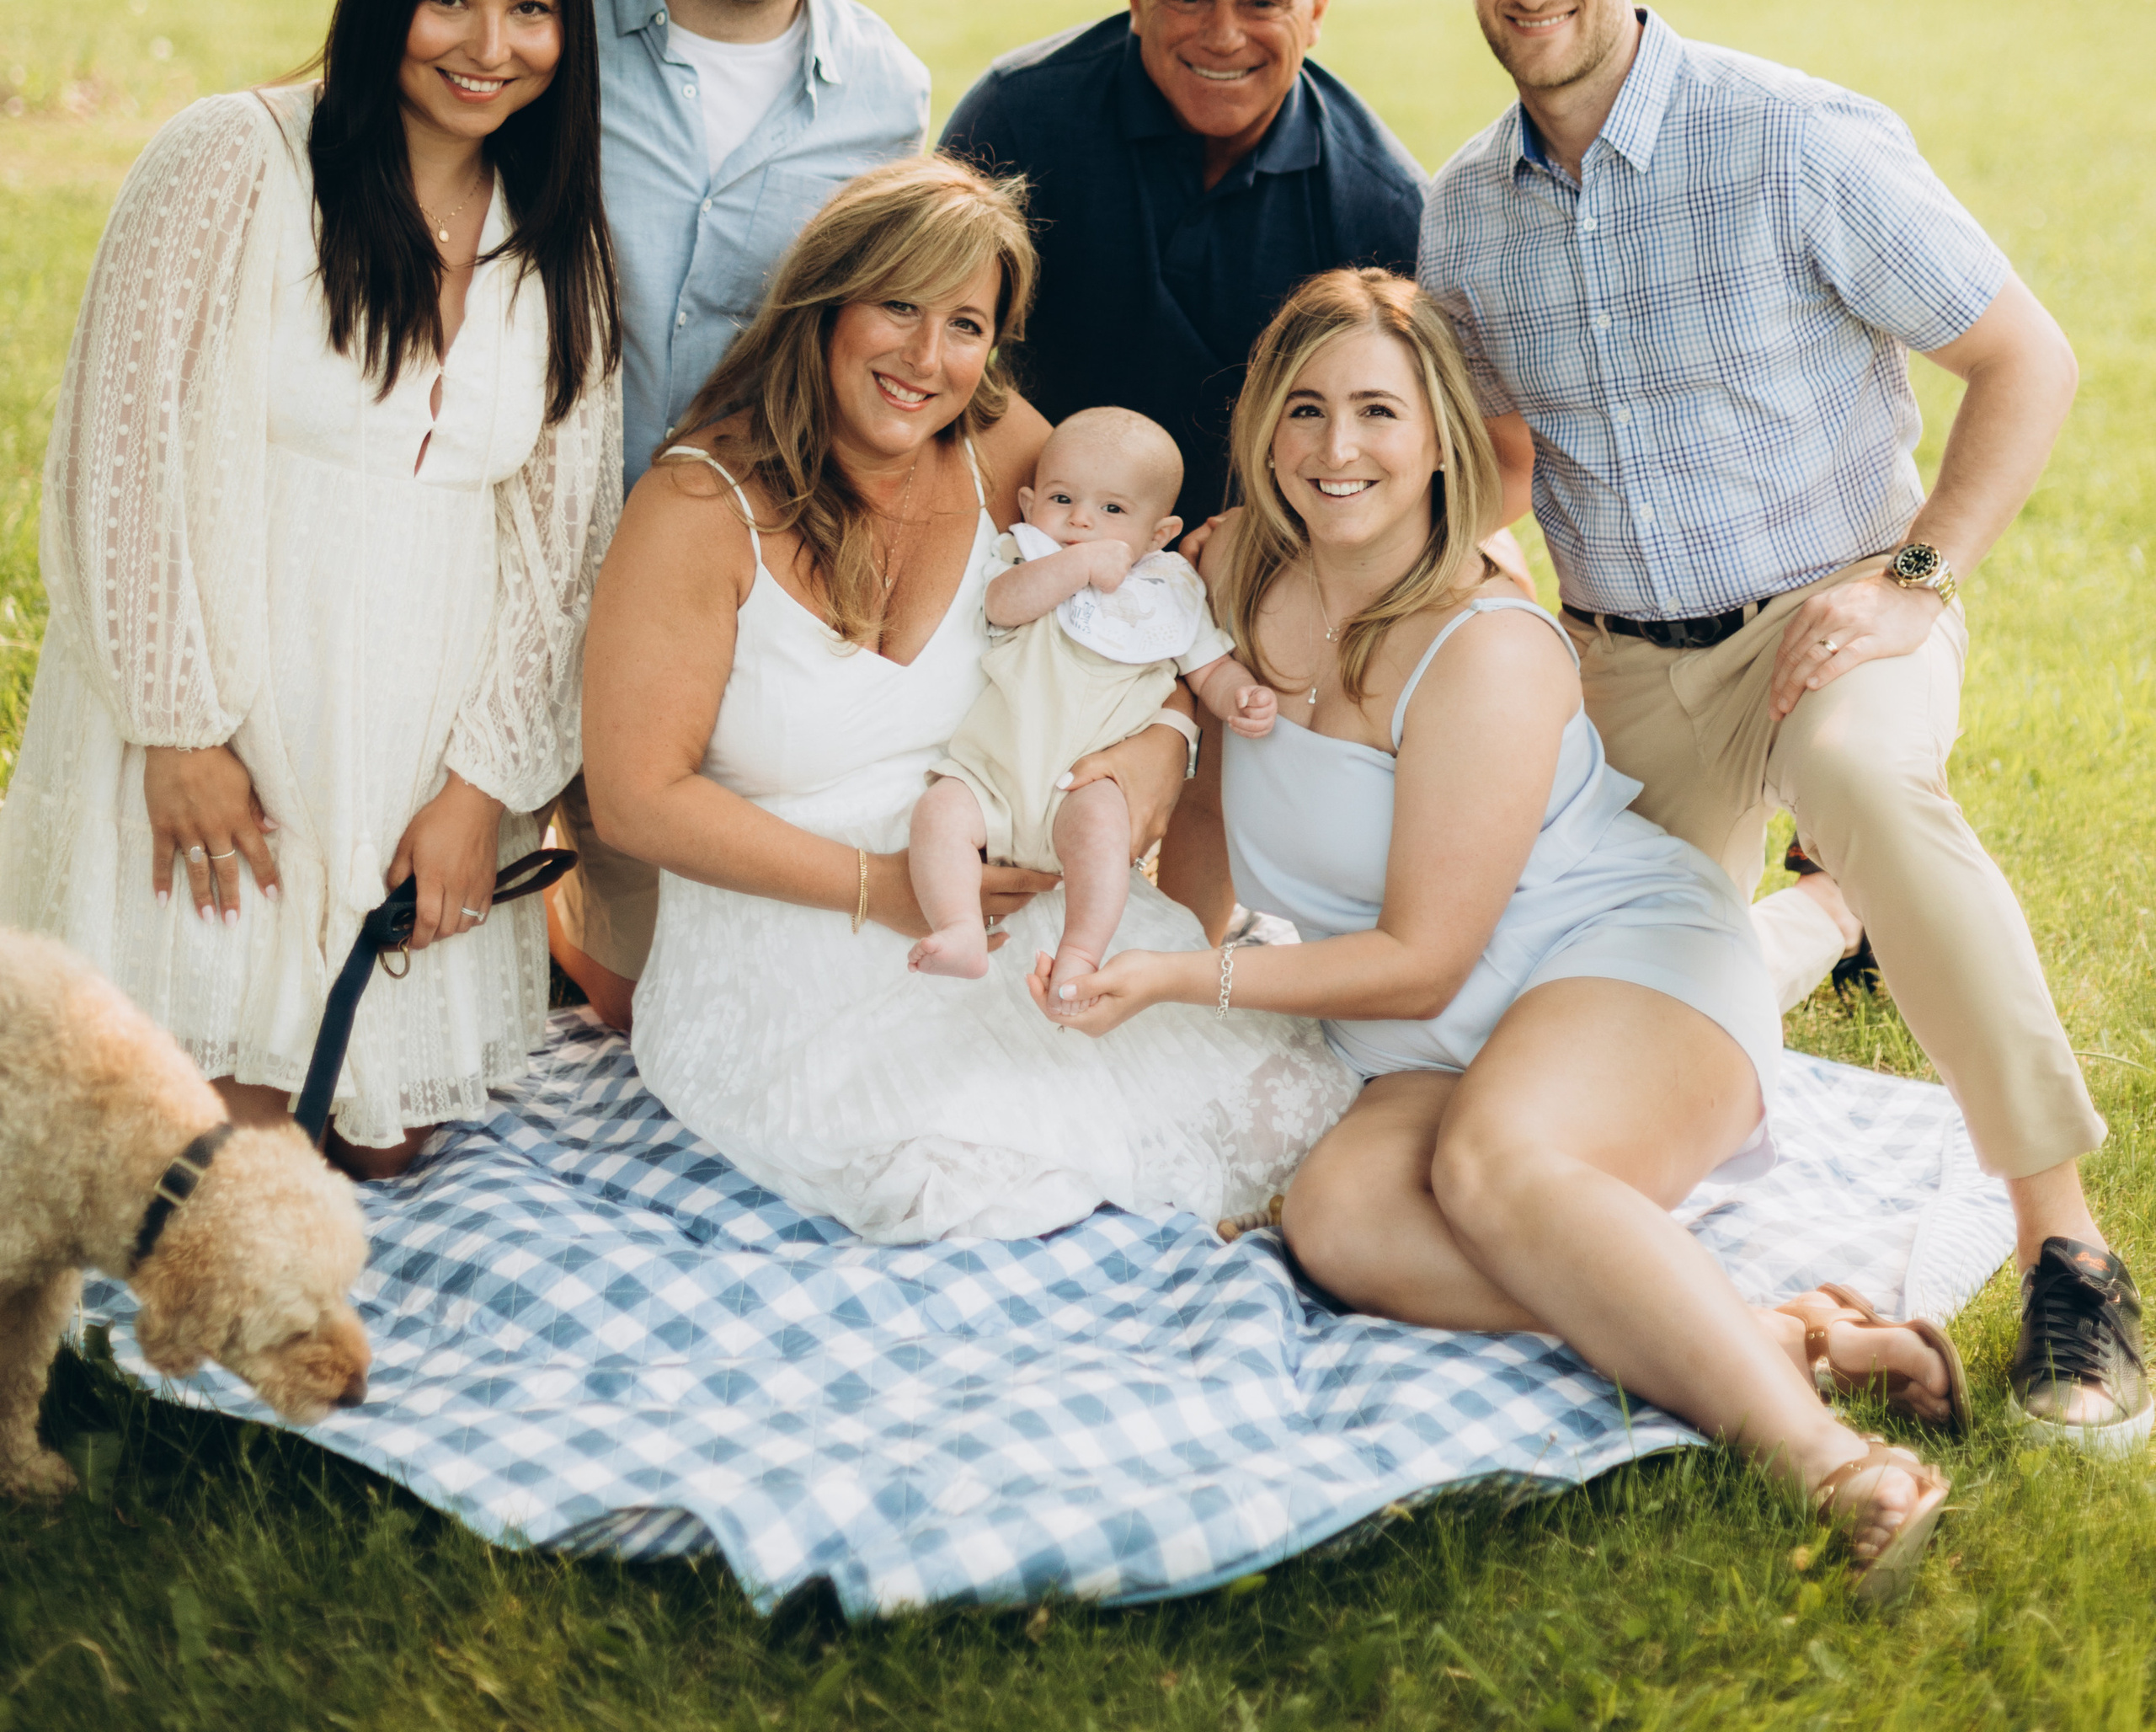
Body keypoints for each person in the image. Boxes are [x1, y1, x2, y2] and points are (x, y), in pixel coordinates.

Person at [1040, 272, 1961, 1609]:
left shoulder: (1487, 643)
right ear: (1263, 424)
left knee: (1497, 1166)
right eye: (1306, 408)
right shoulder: (1230, 570)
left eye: (1378, 411)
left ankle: (1833, 1465)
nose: (1338, 448)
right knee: (1340, 1222)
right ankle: (1777, 1333)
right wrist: (1172, 952)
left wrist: (1187, 978)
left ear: (1440, 439)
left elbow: (1422, 955)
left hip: (1610, 962)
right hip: (1418, 1037)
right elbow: (1209, 810)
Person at [1418, 0, 2146, 1452]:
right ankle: (1827, 918)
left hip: (1834, 617)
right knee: (1596, 999)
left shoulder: (1790, 137)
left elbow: (2024, 358)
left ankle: (2068, 1252)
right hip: (1619, 661)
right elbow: (1504, 460)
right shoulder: (1463, 210)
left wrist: (1914, 578)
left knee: (1864, 774)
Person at [578, 155, 1356, 1243]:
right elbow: (635, 800)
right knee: (962, 1182)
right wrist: (880, 886)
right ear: (823, 304)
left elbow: (1145, 607)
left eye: (965, 326)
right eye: (897, 306)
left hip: (1019, 900)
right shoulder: (697, 505)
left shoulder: (999, 449)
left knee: (1282, 1108)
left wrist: (1165, 744)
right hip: (797, 937)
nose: (925, 358)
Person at [0, 0, 622, 1173]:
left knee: (384, 1152)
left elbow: (561, 549)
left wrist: (481, 790)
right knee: (216, 1156)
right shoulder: (237, 159)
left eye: (531, 10)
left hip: (411, 764)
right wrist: (179, 727)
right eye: (449, 0)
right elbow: (121, 453)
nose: (490, 48)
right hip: (228, 730)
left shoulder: (556, 238)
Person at [550, 0, 930, 1018]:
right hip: (506, 543)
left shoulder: (884, 93)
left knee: (644, 1003)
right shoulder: (546, 12)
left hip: (707, 598)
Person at [939, 0, 1427, 532]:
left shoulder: (1383, 203)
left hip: (1262, 546)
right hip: (1028, 514)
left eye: (1262, 3)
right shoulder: (1019, 117)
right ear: (1138, 1)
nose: (1223, 36)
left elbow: (1426, 449)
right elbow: (922, 345)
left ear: (1314, 14)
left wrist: (1263, 542)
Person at [909, 404, 1278, 996]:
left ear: (1159, 535)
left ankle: (1080, 952)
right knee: (939, 814)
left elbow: (1208, 668)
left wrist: (1241, 696)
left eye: (1112, 510)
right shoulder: (1026, 556)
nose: (1080, 520)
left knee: (1104, 838)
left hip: (1086, 785)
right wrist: (1076, 565)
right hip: (992, 777)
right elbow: (1001, 606)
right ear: (1029, 503)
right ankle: (959, 929)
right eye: (1062, 499)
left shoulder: (1166, 591)